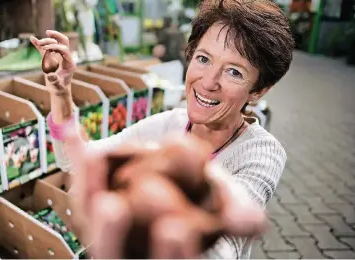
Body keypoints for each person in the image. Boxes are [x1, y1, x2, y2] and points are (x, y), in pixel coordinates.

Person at [30, 0, 294, 258]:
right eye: (203, 59)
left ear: (258, 91)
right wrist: (61, 91)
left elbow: (225, 250)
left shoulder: (262, 153)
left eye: (234, 72)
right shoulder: (168, 124)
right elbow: (75, 161)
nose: (208, 82)